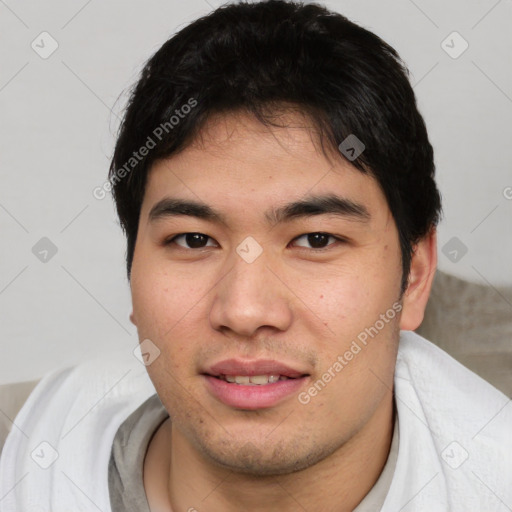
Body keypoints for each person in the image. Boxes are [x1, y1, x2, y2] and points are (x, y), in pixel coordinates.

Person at [1, 1, 511, 511]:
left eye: (315, 240)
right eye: (194, 240)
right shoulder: (23, 457)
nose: (245, 311)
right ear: (132, 267)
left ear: (415, 277)